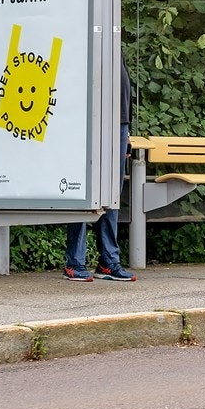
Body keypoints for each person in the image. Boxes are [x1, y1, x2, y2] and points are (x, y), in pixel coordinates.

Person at [63, 57, 137, 281]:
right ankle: (74, 262)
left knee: (111, 193)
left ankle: (108, 261)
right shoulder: (87, 41)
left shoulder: (115, 43)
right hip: (89, 119)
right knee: (81, 189)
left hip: (118, 123)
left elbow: (124, 89)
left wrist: (127, 132)